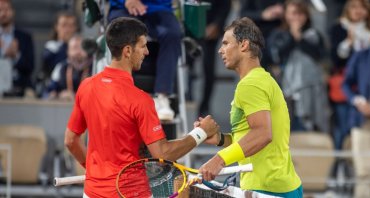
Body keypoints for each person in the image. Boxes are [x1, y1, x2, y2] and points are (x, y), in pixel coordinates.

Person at [64, 17, 219, 198]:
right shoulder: (140, 100)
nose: (146, 52)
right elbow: (163, 153)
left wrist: (94, 171)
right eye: (143, 45)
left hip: (92, 193)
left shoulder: (86, 86)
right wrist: (200, 133)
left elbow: (70, 140)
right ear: (128, 51)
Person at [197, 17, 302, 198]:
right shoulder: (262, 79)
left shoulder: (250, 85)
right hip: (279, 186)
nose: (220, 50)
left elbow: (262, 134)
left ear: (244, 45)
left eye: (226, 43)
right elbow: (253, 137)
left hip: (268, 189)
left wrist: (219, 160)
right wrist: (221, 139)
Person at [107, 0, 182, 121]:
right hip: (123, 7)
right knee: (123, 34)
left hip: (158, 7)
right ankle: (122, 96)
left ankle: (162, 97)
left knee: (172, 34)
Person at [268, 0, 329, 132]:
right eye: (293, 13)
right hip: (285, 87)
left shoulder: (313, 34)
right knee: (286, 126)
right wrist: (291, 36)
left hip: (311, 87)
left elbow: (320, 55)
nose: (297, 17)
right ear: (286, 15)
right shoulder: (278, 34)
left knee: (311, 126)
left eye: (301, 14)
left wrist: (300, 38)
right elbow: (275, 56)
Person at [342, 16, 370, 198]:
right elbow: (346, 84)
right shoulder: (362, 56)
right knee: (363, 173)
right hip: (365, 121)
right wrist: (358, 101)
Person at [329, 0, 370, 150]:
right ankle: (338, 167)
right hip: (345, 86)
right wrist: (348, 41)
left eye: (362, 7)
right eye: (354, 7)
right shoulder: (339, 28)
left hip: (366, 88)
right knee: (343, 128)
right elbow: (335, 59)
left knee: (363, 130)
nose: (358, 11)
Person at [36, 12, 79, 97]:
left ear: (76, 28)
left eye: (71, 26)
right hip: (54, 91)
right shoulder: (50, 48)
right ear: (56, 27)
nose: (67, 30)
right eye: (64, 25)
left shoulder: (82, 49)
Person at [0, 0, 34, 97]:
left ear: (13, 12)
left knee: (30, 94)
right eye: (0, 10)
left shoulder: (25, 37)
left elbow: (30, 67)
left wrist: (16, 56)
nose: (3, 13)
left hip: (20, 87)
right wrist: (4, 54)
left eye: (6, 10)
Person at [45, 35, 92, 100]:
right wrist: (59, 95)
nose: (78, 51)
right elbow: (49, 92)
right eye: (75, 48)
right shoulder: (61, 67)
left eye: (82, 48)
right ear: (68, 52)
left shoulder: (94, 67)